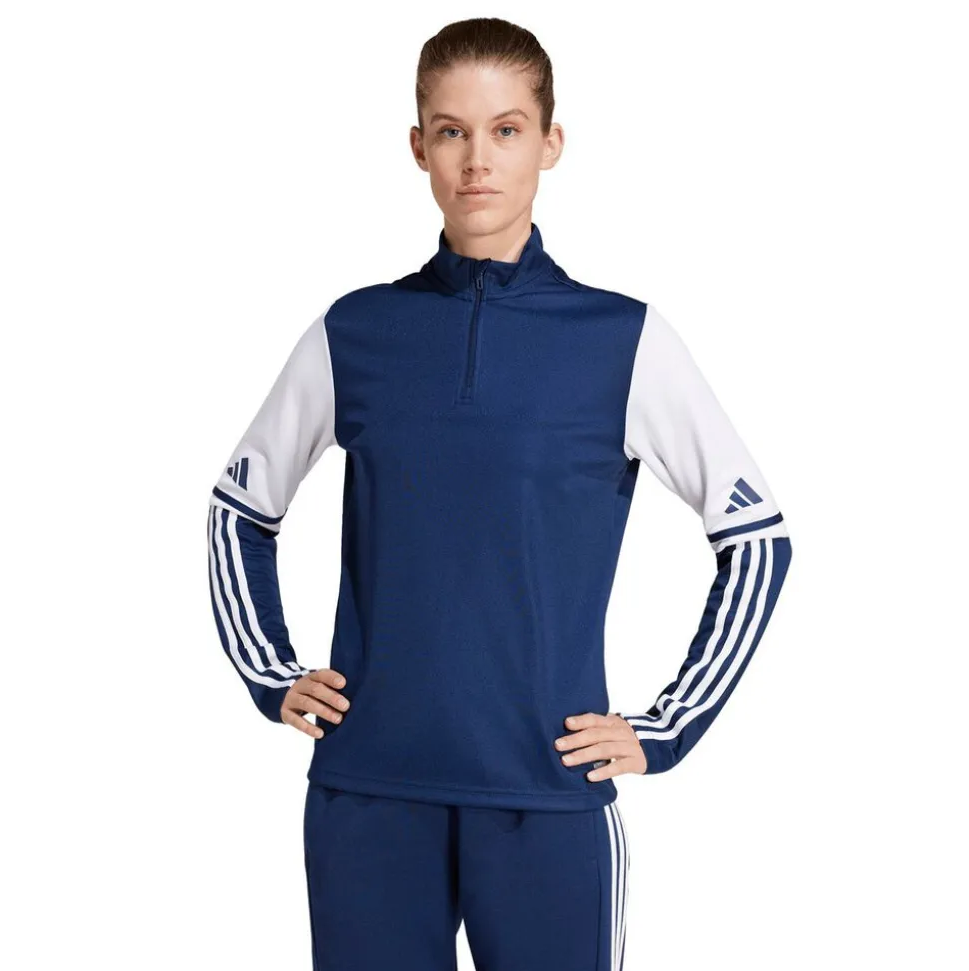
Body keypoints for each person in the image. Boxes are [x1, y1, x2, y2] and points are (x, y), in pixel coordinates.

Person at [206, 16, 792, 971]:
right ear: (419, 147)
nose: (478, 159)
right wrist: (270, 672)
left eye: (506, 129)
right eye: (452, 131)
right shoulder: (355, 331)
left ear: (550, 143)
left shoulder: (622, 340)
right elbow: (240, 508)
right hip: (369, 791)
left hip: (546, 793)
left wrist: (669, 723)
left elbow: (757, 534)